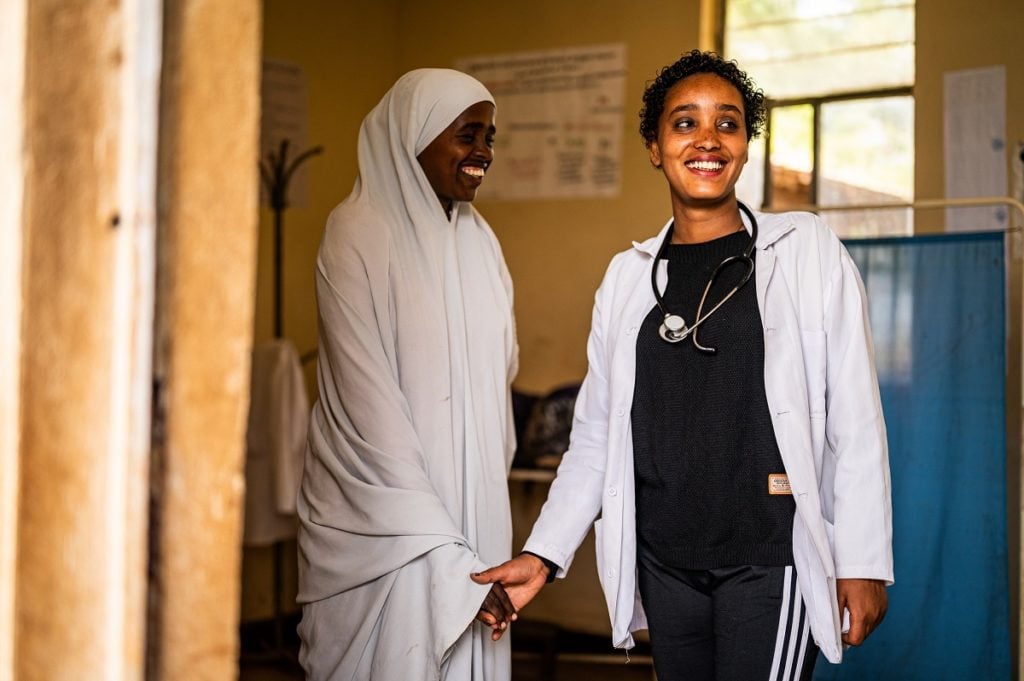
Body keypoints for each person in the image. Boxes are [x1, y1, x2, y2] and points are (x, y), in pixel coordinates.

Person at [473, 50, 893, 680]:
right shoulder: (628, 278)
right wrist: (543, 553)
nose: (707, 140)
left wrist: (861, 561)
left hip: (767, 554)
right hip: (665, 561)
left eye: (727, 124)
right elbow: (595, 438)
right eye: (684, 123)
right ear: (654, 146)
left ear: (746, 146)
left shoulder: (805, 252)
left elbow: (855, 417)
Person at [296, 68, 519, 681]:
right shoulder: (358, 234)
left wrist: (474, 542)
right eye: (466, 134)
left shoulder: (482, 245)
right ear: (409, 137)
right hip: (386, 524)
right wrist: (446, 558)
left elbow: (499, 382)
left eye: (490, 138)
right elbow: (369, 411)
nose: (482, 153)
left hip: (474, 511)